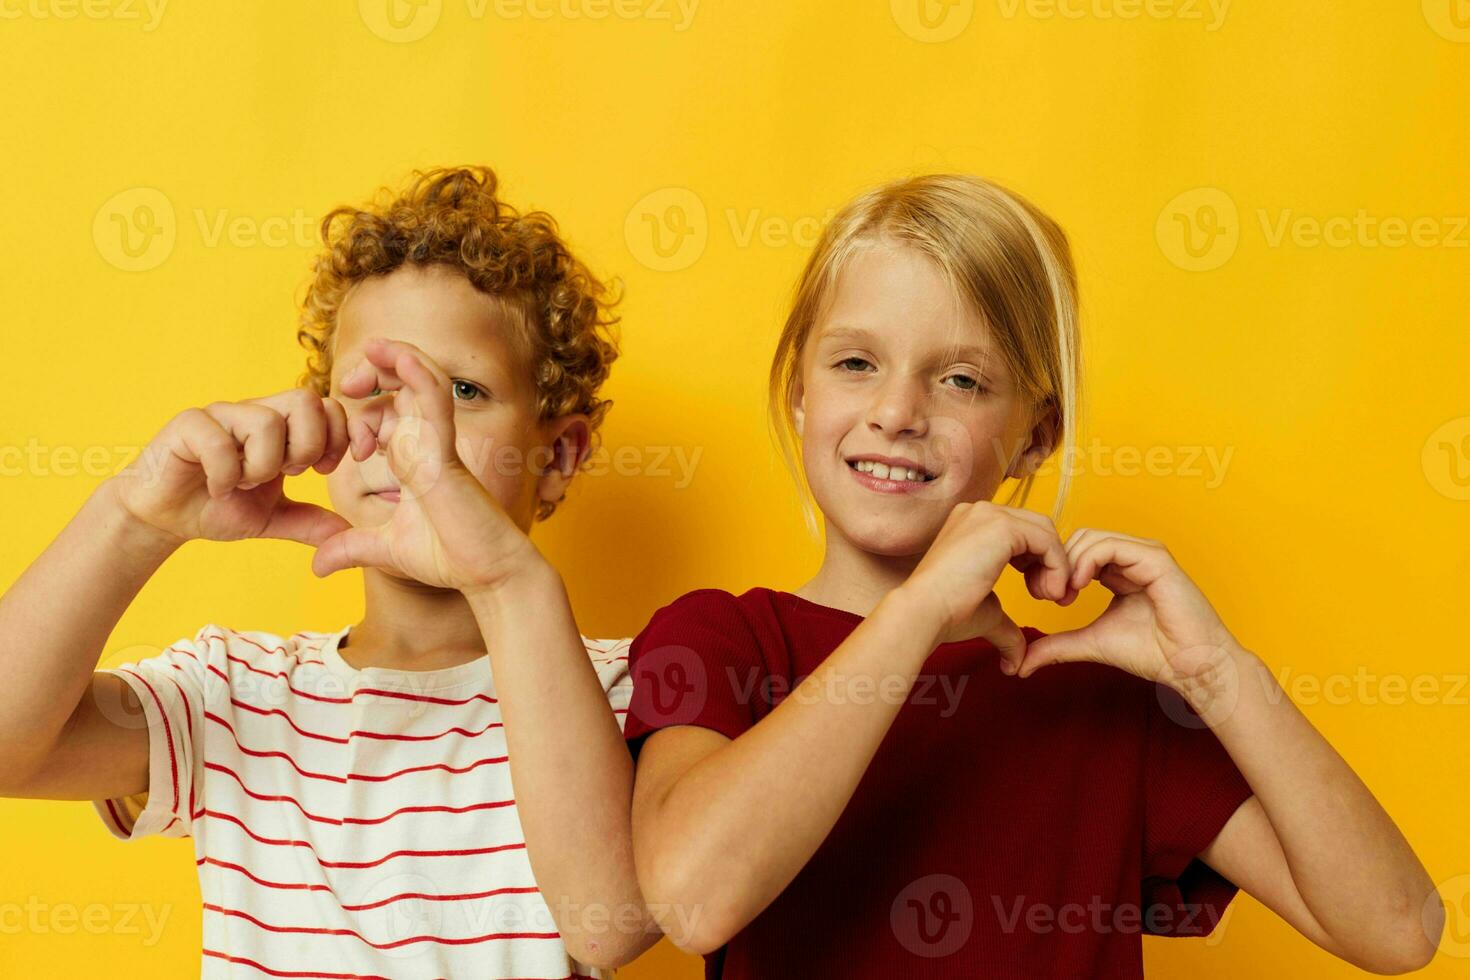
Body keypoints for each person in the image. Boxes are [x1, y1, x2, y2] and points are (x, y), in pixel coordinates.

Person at [619, 173, 1444, 977]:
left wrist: (1218, 672)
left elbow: (1399, 930)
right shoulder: (720, 639)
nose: (898, 412)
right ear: (799, 388)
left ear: (1035, 436)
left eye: (961, 381)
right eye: (856, 364)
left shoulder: (1098, 700)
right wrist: (917, 614)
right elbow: (694, 901)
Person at [0, 166, 660, 978]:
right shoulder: (233, 692)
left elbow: (609, 925)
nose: (413, 429)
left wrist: (506, 582)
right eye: (373, 390)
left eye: (462, 389)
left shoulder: (624, 693)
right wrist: (132, 521)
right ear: (323, 425)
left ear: (556, 455)